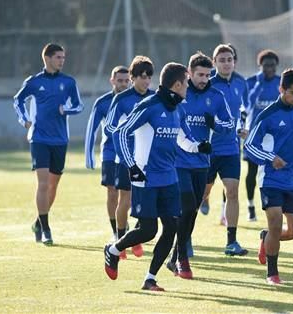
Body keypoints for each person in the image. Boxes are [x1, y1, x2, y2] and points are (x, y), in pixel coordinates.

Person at [104, 62, 209, 291]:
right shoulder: (149, 106)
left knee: (171, 227)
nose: (188, 88)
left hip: (170, 178)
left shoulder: (178, 108)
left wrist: (199, 147)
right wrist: (131, 165)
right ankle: (113, 249)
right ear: (178, 84)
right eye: (187, 84)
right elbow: (120, 133)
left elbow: (184, 140)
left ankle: (150, 278)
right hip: (145, 177)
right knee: (148, 230)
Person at [166, 52, 233, 279]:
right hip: (178, 162)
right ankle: (182, 258)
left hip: (202, 162)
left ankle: (175, 255)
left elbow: (229, 123)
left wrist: (216, 123)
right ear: (190, 73)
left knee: (192, 211)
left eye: (207, 74)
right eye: (200, 75)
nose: (204, 79)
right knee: (185, 206)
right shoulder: (180, 94)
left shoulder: (216, 96)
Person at [244, 68, 293, 285]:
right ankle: (272, 273)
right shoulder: (267, 115)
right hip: (270, 180)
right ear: (281, 89)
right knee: (275, 222)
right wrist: (270, 158)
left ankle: (266, 238)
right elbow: (249, 146)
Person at [13, 43, 84, 245]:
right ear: (47, 58)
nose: (62, 60)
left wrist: (66, 110)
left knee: (53, 186)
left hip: (60, 140)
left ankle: (38, 221)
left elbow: (79, 105)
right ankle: (46, 229)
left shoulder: (69, 82)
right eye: (58, 57)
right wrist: (24, 119)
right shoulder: (34, 82)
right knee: (43, 183)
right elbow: (18, 100)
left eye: (63, 57)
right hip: (39, 138)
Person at [104, 56, 155, 259]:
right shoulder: (122, 99)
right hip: (125, 159)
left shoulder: (154, 98)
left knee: (144, 199)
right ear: (133, 78)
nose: (146, 81)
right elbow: (109, 127)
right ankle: (121, 240)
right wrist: (127, 131)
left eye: (149, 76)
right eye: (142, 76)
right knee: (125, 198)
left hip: (148, 160)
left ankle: (136, 237)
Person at [201, 44, 249, 256]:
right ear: (214, 63)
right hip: (209, 149)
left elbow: (244, 110)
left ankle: (231, 241)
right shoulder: (208, 85)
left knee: (232, 192)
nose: (226, 63)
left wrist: (244, 127)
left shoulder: (241, 82)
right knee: (204, 189)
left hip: (231, 148)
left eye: (229, 59)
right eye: (222, 60)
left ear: (234, 61)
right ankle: (204, 197)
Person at [85, 66, 130, 239]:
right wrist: (89, 156)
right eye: (120, 80)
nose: (124, 84)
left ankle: (129, 224)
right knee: (112, 192)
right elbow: (92, 128)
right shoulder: (103, 102)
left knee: (132, 194)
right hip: (110, 153)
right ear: (112, 81)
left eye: (127, 81)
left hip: (132, 154)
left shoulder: (136, 99)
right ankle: (116, 232)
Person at [244, 49, 281, 222]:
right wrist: (257, 87)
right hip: (255, 135)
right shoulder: (251, 82)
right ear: (260, 66)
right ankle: (251, 205)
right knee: (252, 171)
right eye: (266, 66)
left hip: (275, 136)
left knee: (275, 169)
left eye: (272, 66)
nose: (269, 69)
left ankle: (273, 205)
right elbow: (247, 105)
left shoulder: (281, 83)